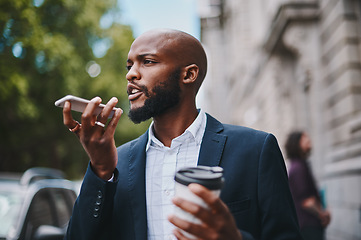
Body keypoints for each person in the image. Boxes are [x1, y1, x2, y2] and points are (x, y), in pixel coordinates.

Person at [62, 29, 302, 240]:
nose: (131, 74)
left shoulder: (256, 150)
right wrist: (101, 169)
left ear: (189, 75)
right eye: (129, 65)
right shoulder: (116, 163)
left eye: (147, 61)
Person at [285, 131, 331, 240]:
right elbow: (306, 201)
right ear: (296, 143)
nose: (309, 140)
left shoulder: (298, 165)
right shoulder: (298, 168)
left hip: (307, 223)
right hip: (308, 224)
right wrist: (322, 214)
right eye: (304, 138)